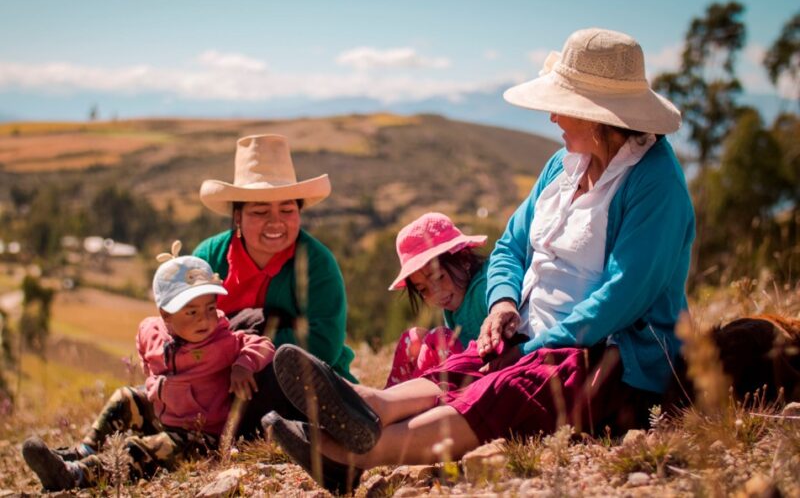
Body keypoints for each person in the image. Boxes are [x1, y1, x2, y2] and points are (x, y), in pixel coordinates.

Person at [264, 27, 696, 494]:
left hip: (613, 355)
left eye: (563, 105)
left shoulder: (655, 182)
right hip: (536, 330)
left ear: (597, 116)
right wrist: (503, 305)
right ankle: (374, 404)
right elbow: (511, 245)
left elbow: (625, 294)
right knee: (470, 361)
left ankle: (355, 454)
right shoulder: (563, 165)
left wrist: (531, 348)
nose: (552, 116)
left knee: (507, 387)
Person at [46, 133, 355, 463]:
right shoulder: (210, 255)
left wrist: (240, 354)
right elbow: (181, 322)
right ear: (237, 216)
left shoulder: (317, 264)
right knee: (137, 401)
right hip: (210, 383)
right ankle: (79, 455)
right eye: (260, 211)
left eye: (287, 209)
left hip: (294, 386)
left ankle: (108, 464)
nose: (275, 221)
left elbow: (324, 344)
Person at [22, 252, 274, 491]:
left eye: (210, 308)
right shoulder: (154, 330)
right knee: (125, 398)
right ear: (166, 315)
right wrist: (148, 370)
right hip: (161, 414)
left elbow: (263, 344)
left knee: (137, 449)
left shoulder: (223, 341)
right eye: (192, 312)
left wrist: (243, 365)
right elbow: (143, 338)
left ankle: (74, 474)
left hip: (200, 437)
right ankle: (85, 449)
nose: (205, 319)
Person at [385, 212, 488, 387]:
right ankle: (387, 398)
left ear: (464, 259)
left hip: (486, 381)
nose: (435, 294)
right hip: (460, 372)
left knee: (438, 339)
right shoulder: (455, 298)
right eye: (423, 289)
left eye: (439, 278)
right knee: (412, 339)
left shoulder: (485, 290)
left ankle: (410, 401)